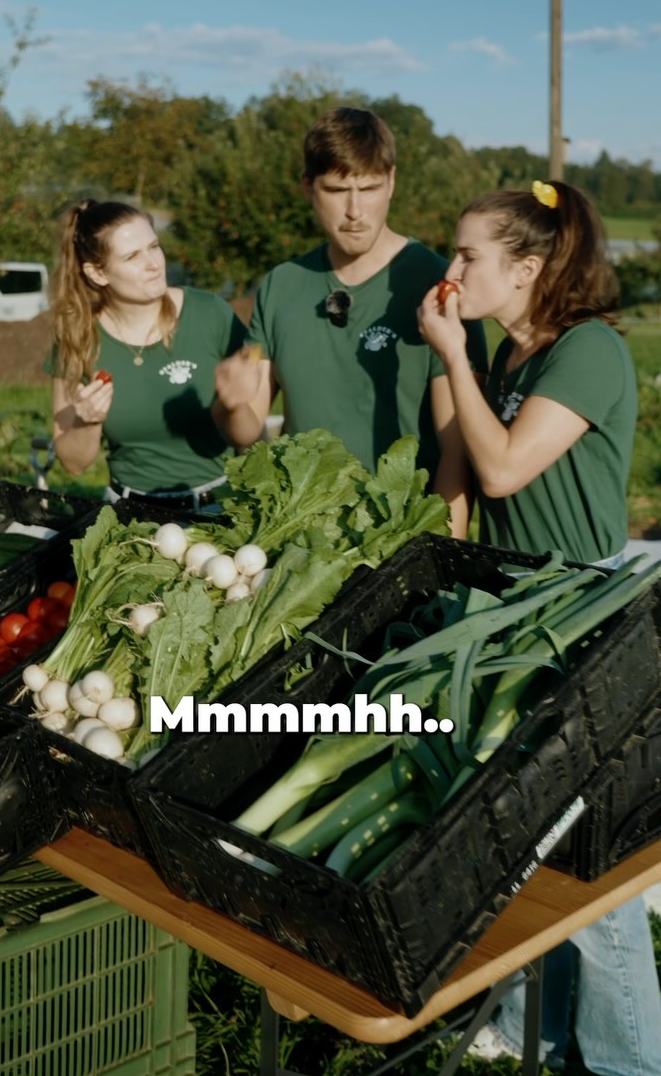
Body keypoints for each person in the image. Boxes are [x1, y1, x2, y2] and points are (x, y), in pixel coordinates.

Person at [418, 179, 661, 1075]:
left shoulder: (588, 350)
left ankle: (629, 1061)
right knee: (528, 842)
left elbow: (507, 470)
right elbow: (466, 476)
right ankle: (540, 1029)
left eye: (469, 255)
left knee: (588, 866)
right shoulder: (511, 355)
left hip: (583, 619)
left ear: (527, 268)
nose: (453, 270)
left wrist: (452, 356)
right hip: (521, 611)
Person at [213, 106, 488, 536]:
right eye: (338, 190)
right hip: (300, 535)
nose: (355, 210)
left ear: (391, 182)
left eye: (370, 188)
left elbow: (457, 453)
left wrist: (441, 550)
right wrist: (230, 404)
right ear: (308, 187)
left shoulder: (438, 285)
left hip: (403, 536)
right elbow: (246, 431)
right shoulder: (281, 285)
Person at [49, 199, 247, 507]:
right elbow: (73, 463)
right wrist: (87, 421)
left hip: (217, 507)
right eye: (132, 256)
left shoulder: (211, 314)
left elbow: (252, 430)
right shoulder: (78, 339)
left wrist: (236, 405)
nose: (154, 264)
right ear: (98, 273)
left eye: (154, 247)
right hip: (129, 513)